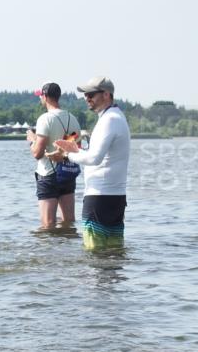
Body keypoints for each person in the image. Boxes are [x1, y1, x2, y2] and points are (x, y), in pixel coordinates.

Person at [50, 76, 131, 249]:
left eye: (91, 94)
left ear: (107, 95)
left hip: (99, 197)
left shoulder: (108, 120)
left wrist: (67, 155)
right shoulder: (117, 116)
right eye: (85, 95)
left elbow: (94, 159)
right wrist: (75, 150)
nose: (87, 98)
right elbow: (97, 155)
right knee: (113, 253)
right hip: (114, 196)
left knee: (94, 255)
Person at [26, 82, 80, 229]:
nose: (40, 99)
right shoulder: (72, 118)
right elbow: (73, 148)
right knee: (69, 222)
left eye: (40, 96)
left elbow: (37, 153)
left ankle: (49, 252)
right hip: (67, 173)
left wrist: (32, 140)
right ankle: (67, 251)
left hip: (48, 175)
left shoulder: (45, 119)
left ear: (45, 96)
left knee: (47, 225)